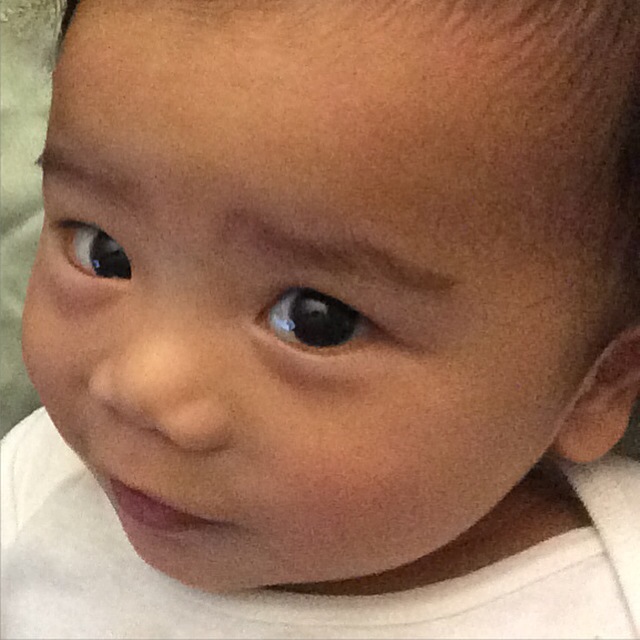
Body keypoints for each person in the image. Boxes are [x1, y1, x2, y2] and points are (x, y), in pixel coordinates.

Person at [2, 0, 639, 637]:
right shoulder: (33, 489)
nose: (139, 386)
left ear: (600, 383)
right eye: (103, 251)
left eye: (317, 321)